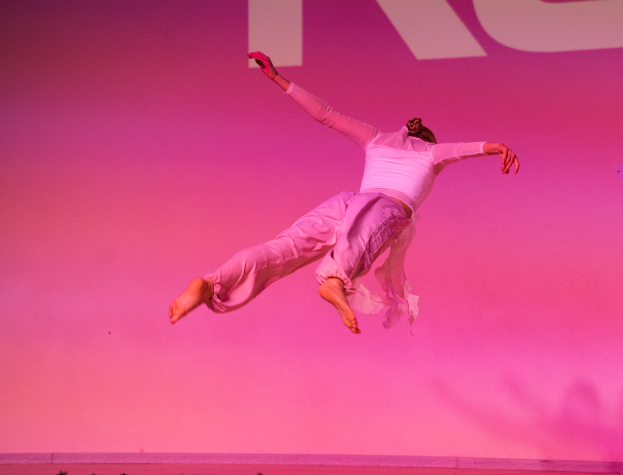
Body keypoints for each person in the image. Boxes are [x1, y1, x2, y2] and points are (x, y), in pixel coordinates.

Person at [168, 51, 520, 333]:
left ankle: (213, 283)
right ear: (428, 140)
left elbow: (326, 114)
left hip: (347, 202)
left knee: (284, 248)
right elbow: (467, 149)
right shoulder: (431, 153)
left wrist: (277, 78)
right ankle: (334, 280)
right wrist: (497, 147)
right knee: (356, 247)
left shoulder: (377, 138)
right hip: (385, 206)